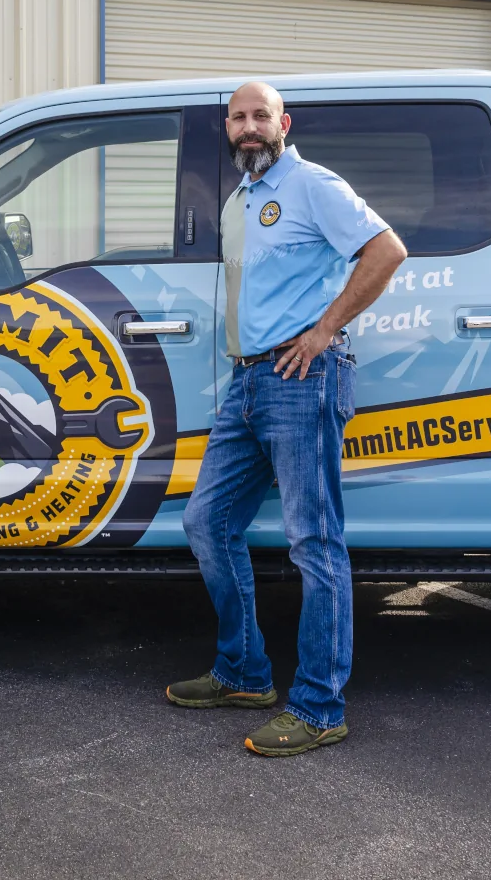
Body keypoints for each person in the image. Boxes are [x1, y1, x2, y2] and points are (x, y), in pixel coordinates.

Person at [166, 82, 407, 757]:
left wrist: (324, 329)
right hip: (248, 383)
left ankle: (320, 706)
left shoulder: (313, 184)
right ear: (229, 127)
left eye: (260, 116)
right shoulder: (242, 199)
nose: (249, 127)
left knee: (314, 542)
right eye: (239, 118)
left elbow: (386, 251)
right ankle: (244, 673)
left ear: (282, 123)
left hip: (302, 379)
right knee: (207, 522)